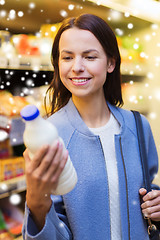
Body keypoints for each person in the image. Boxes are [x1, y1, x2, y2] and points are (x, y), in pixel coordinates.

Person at [22, 13, 160, 240]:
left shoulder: (138, 125)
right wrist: (36, 205)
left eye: (89, 57)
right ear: (57, 63)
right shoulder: (50, 136)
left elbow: (148, 188)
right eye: (67, 58)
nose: (77, 67)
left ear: (111, 63)